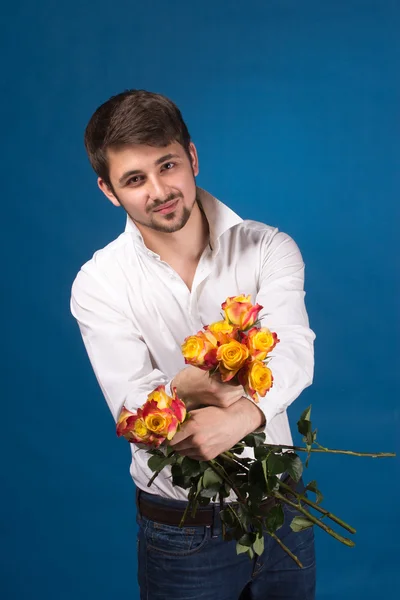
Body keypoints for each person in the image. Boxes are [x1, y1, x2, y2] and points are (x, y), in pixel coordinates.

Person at [70, 89, 316, 599]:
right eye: (135, 179)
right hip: (181, 527)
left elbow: (294, 350)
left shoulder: (268, 247)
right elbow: (137, 409)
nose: (160, 190)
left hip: (279, 509)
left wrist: (241, 415)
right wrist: (187, 388)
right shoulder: (98, 283)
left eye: (168, 165)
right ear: (109, 190)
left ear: (193, 158)